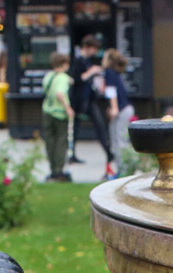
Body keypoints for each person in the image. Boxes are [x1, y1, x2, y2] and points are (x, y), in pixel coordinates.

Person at [67, 36, 109, 166]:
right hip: (79, 100)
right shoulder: (78, 60)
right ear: (87, 47)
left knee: (100, 125)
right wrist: (91, 72)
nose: (95, 52)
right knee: (75, 128)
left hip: (88, 98)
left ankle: (109, 152)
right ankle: (71, 154)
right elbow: (74, 79)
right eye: (93, 49)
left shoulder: (85, 60)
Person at [41, 52, 73, 182]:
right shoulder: (63, 78)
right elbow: (60, 93)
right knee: (61, 141)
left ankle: (52, 168)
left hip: (47, 112)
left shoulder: (48, 76)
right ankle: (59, 171)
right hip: (60, 114)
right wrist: (68, 108)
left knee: (50, 142)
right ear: (64, 64)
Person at [102, 48, 133, 179]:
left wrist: (114, 108)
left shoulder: (109, 72)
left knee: (119, 141)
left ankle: (124, 171)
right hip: (125, 109)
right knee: (118, 140)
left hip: (121, 110)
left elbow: (111, 91)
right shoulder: (115, 73)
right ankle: (122, 169)